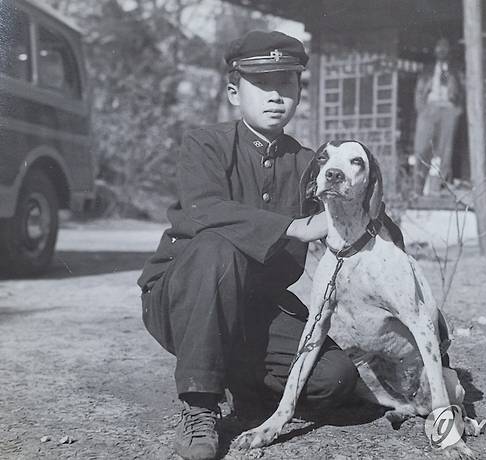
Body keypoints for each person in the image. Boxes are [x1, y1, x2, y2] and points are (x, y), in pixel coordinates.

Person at [137, 31, 359, 460]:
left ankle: (239, 377)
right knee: (217, 248)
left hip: (256, 308)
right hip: (183, 297)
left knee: (332, 377)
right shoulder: (205, 143)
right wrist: (293, 226)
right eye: (262, 84)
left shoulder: (309, 162)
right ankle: (200, 406)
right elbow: (204, 210)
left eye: (287, 84)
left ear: (299, 93)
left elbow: (347, 223)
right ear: (235, 92)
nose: (276, 95)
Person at [413, 37, 464, 195]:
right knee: (421, 148)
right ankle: (417, 187)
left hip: (448, 109)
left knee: (445, 150)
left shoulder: (456, 70)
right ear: (435, 50)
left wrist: (456, 110)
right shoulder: (428, 70)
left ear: (450, 50)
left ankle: (441, 187)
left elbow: (463, 91)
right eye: (439, 46)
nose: (442, 50)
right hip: (429, 109)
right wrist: (422, 109)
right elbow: (419, 91)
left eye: (445, 47)